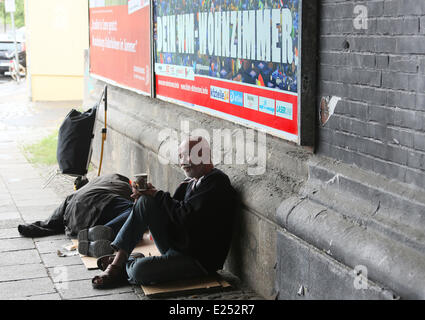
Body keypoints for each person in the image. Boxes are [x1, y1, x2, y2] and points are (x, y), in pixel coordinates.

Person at [90, 136, 237, 289]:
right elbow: (171, 212)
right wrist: (148, 196)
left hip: (197, 260)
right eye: (180, 156)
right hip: (178, 244)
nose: (181, 162)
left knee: (139, 271)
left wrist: (158, 195)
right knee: (146, 201)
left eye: (185, 155)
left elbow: (185, 217)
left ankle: (129, 263)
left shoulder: (216, 183)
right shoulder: (192, 181)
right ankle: (117, 264)